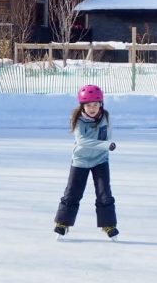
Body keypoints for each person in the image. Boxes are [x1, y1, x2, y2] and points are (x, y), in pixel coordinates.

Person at [53, 84, 119, 241]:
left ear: (100, 104)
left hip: (100, 160)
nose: (92, 108)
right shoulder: (77, 120)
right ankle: (63, 223)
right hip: (81, 160)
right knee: (72, 193)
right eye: (89, 105)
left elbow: (108, 136)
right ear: (82, 105)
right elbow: (82, 141)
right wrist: (106, 145)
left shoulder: (106, 117)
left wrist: (105, 147)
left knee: (104, 193)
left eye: (96, 104)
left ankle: (108, 225)